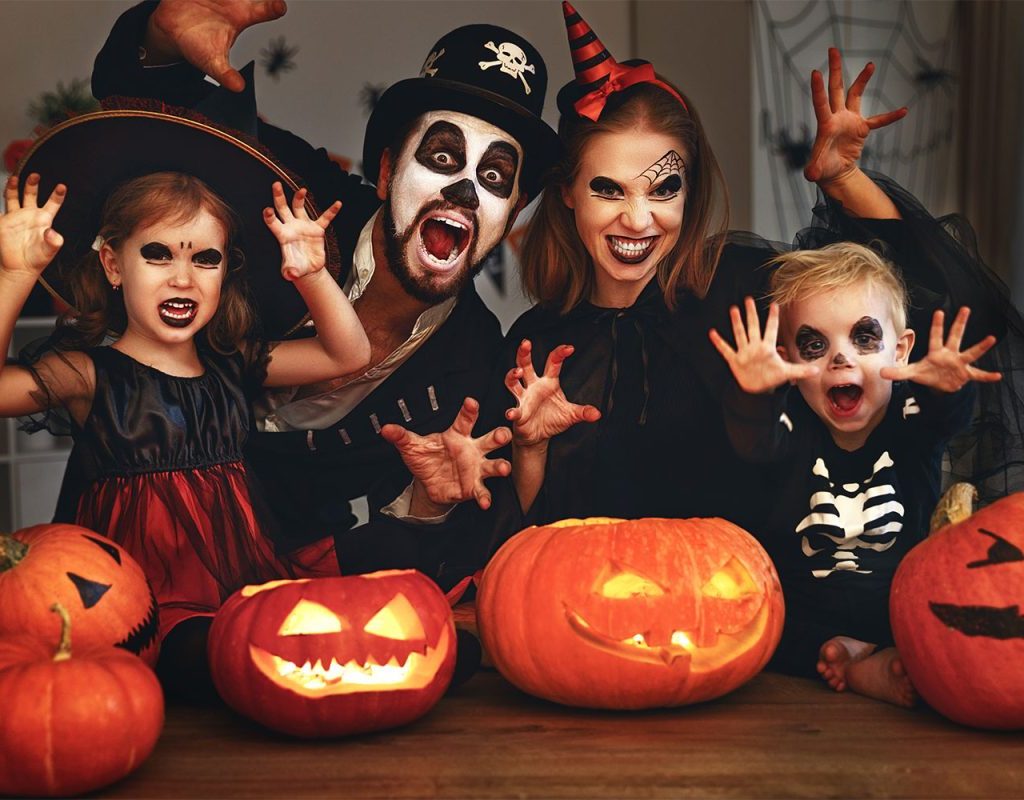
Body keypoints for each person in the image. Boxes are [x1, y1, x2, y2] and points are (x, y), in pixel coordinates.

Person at [395, 2, 1003, 544]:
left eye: (664, 189)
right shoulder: (538, 348)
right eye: (608, 190)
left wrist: (846, 180)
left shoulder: (746, 290)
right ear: (569, 195)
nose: (638, 219)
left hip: (761, 621)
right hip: (594, 620)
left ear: (692, 190)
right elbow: (526, 545)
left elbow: (916, 299)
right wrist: (531, 447)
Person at [89, 0, 561, 588]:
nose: (465, 190)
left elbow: (426, 541)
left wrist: (428, 504)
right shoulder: (296, 194)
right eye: (442, 157)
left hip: (275, 598)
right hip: (129, 541)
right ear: (387, 172)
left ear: (510, 213)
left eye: (494, 179)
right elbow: (142, 112)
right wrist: (159, 39)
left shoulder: (473, 359)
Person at [5, 106, 370, 698]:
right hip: (139, 606)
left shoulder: (235, 363)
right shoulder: (87, 375)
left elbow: (346, 355)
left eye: (205, 258)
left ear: (225, 273)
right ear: (112, 265)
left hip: (242, 583)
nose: (183, 277)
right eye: (158, 254)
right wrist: (14, 275)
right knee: (205, 656)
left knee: (331, 605)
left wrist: (311, 274)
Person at [709, 242, 1000, 706]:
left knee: (944, 628)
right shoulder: (789, 429)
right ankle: (851, 659)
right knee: (754, 628)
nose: (839, 358)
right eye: (814, 344)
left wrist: (948, 390)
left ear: (901, 351)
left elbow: (942, 420)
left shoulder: (910, 424)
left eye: (863, 338)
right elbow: (754, 439)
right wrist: (753, 394)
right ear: (787, 359)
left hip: (900, 611)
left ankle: (866, 658)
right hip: (802, 618)